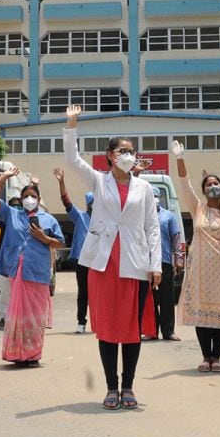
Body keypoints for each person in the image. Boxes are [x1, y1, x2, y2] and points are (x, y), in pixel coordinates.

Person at [63, 104, 161, 409]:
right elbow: (72, 160)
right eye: (122, 150)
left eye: (131, 150)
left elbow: (152, 227)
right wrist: (71, 123)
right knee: (107, 327)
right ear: (110, 155)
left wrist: (155, 264)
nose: (128, 155)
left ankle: (128, 386)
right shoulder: (98, 180)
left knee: (131, 328)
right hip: (104, 263)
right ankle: (110, 387)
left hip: (135, 262)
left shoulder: (144, 188)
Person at [173, 144, 220, 372]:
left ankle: (217, 357)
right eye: (209, 184)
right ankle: (206, 357)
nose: (213, 187)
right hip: (200, 270)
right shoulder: (198, 208)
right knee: (202, 313)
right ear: (204, 191)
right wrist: (180, 158)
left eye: (216, 184)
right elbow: (184, 182)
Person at [0, 167, 62, 367]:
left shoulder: (49, 219)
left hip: (37, 273)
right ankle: (17, 354)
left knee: (35, 317)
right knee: (17, 315)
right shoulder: (12, 214)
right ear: (21, 199)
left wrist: (44, 237)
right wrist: (2, 180)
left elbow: (59, 243)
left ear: (38, 199)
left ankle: (33, 354)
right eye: (26, 196)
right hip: (16, 271)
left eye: (33, 196)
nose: (29, 199)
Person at [53, 167, 93, 334]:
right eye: (92, 203)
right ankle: (81, 322)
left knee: (100, 294)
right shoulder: (80, 217)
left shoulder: (105, 219)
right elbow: (66, 202)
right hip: (82, 260)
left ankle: (101, 323)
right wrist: (61, 182)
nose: (94, 206)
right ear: (88, 204)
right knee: (83, 293)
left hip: (100, 261)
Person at [149, 186, 183, 341]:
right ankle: (151, 330)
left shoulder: (168, 216)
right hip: (146, 263)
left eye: (155, 196)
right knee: (149, 298)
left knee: (167, 297)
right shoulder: (142, 216)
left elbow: (176, 238)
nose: (154, 198)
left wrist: (179, 259)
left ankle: (168, 331)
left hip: (165, 261)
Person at [0, 194, 22, 331]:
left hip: (22, 261)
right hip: (5, 260)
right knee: (5, 291)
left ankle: (21, 318)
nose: (16, 207)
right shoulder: (5, 218)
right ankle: (4, 318)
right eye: (13, 205)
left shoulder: (24, 219)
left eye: (18, 205)